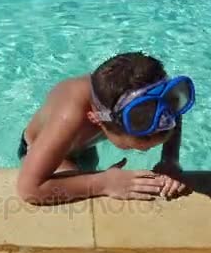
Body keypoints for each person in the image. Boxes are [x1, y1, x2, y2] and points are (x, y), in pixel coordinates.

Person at [16, 51, 196, 205]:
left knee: (87, 173)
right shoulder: (70, 116)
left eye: (164, 130)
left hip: (83, 148)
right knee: (78, 206)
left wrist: (170, 160)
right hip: (41, 149)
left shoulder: (142, 100)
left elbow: (173, 110)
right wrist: (103, 183)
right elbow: (29, 189)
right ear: (96, 120)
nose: (153, 143)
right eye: (144, 141)